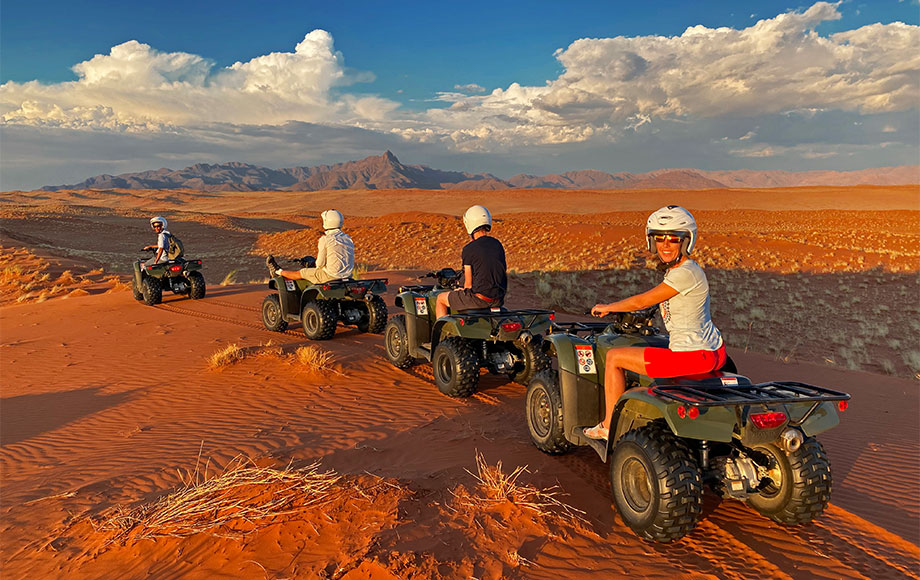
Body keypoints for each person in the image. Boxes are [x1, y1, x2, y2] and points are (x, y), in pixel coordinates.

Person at [585, 205, 725, 440]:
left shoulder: (684, 273)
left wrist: (608, 308)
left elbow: (642, 301)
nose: (665, 245)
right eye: (660, 238)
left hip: (691, 356)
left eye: (673, 239)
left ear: (685, 241)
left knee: (614, 357)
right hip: (712, 349)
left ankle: (608, 426)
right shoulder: (685, 271)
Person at [435, 205, 507, 318]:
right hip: (498, 299)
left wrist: (461, 290)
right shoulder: (497, 244)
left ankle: (441, 335)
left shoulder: (469, 249)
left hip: (479, 299)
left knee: (440, 299)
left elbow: (468, 284)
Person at [268, 210, 355, 283]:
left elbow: (320, 265)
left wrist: (313, 263)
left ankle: (278, 271)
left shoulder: (325, 239)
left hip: (330, 276)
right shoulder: (348, 238)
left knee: (301, 273)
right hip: (347, 276)